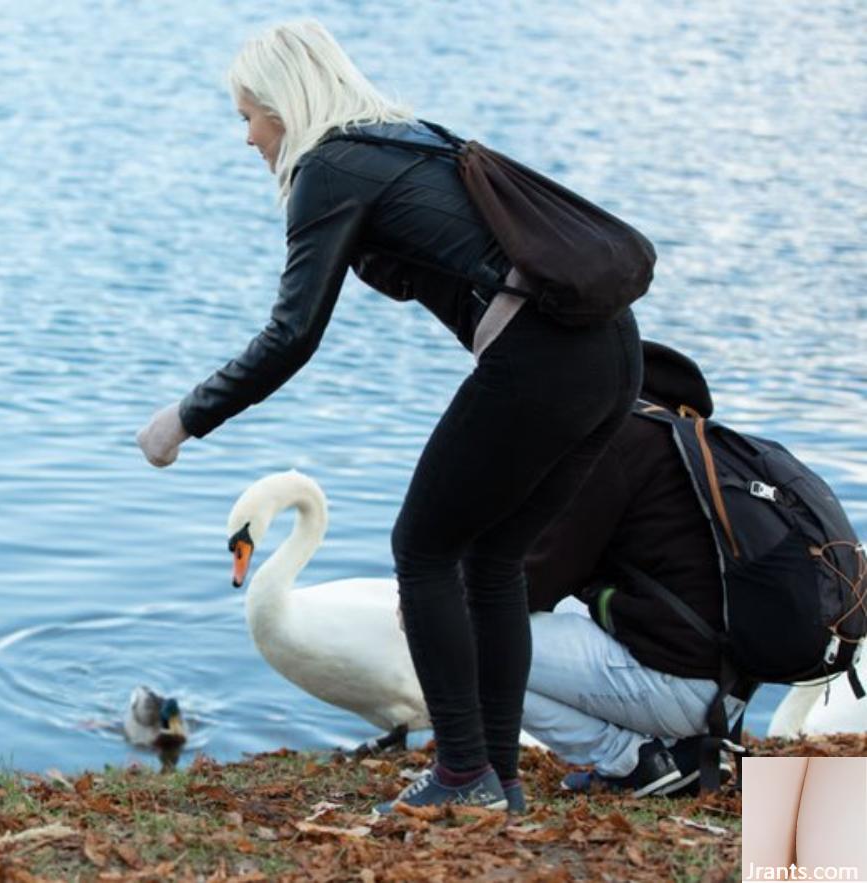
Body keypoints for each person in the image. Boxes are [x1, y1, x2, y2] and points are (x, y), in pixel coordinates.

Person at [136, 19, 642, 812]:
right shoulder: (410, 138)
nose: (247, 139)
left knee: (423, 546)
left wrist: (184, 418)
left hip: (544, 361)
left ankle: (462, 772)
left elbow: (291, 333)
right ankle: (494, 776)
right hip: (611, 356)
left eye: (247, 116)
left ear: (282, 103)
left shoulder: (329, 166)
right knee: (493, 559)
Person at [522, 341, 745, 797]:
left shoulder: (622, 442)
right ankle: (681, 756)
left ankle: (630, 759)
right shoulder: (702, 446)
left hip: (681, 686)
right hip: (731, 690)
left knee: (466, 635)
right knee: (818, 864)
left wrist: (446, 595)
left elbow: (534, 581)